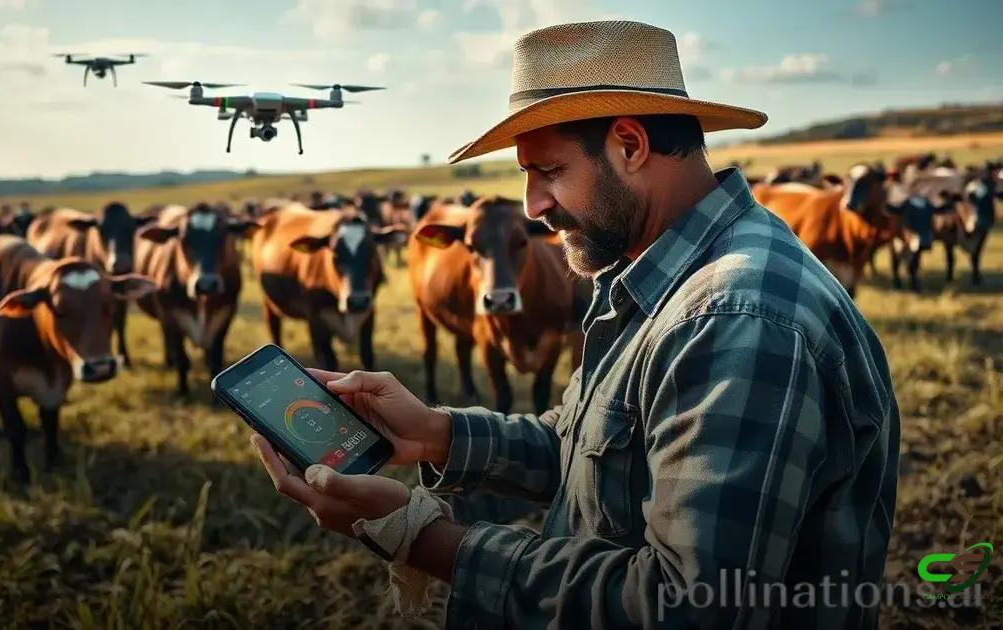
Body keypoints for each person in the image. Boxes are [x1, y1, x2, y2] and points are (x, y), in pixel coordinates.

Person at [251, 20, 899, 629]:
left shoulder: (734, 320)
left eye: (549, 172)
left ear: (630, 144)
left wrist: (423, 537)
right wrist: (436, 436)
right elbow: (596, 450)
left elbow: (687, 607)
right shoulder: (661, 269)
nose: (534, 206)